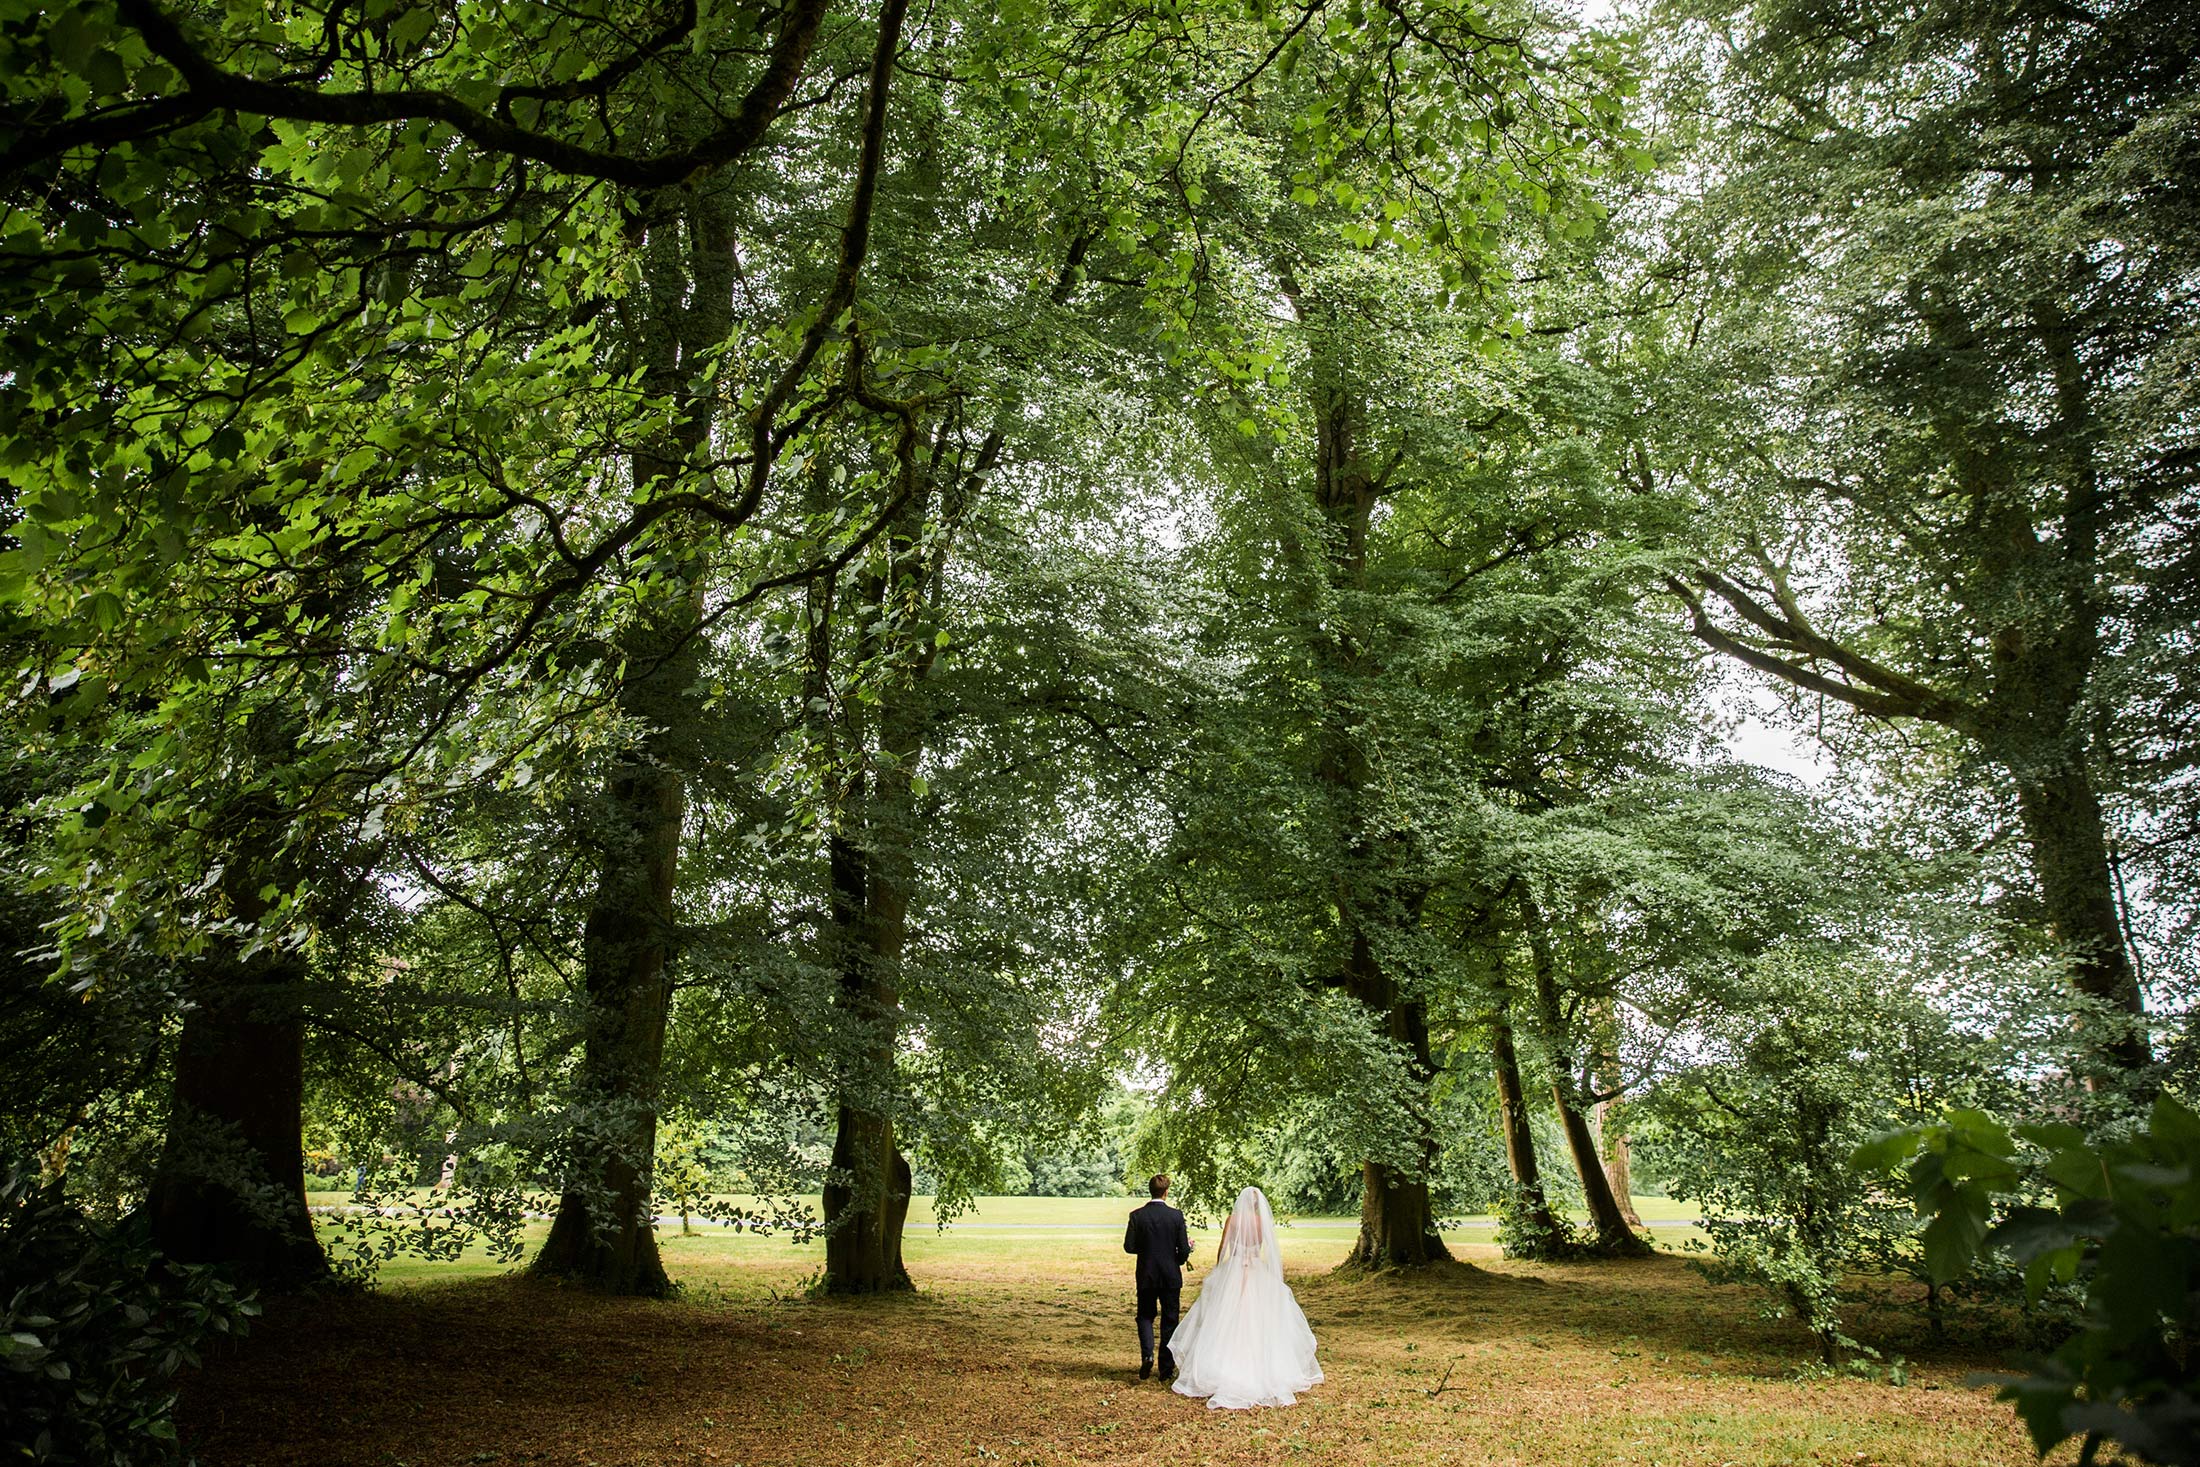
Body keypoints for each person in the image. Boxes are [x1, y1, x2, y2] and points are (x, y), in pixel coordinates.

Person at [1168, 1185, 1323, 1409]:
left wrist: (1219, 1272)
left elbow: (1223, 1251)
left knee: (1227, 1319)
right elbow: (1269, 1251)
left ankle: (1222, 1368)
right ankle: (1263, 1369)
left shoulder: (1232, 1219)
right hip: (1256, 1273)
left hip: (1234, 1273)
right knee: (1258, 1320)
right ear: (1257, 1204)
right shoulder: (1262, 1223)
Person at [1122, 1173, 1193, 1380]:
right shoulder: (1176, 1216)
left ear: (1150, 1190)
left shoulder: (1137, 1216)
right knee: (1170, 1319)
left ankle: (1147, 1355)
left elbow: (1129, 1246)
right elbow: (1183, 1251)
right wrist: (1178, 1260)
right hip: (1170, 1275)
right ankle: (1166, 1369)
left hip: (1146, 1274)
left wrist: (1148, 1250)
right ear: (1166, 1191)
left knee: (1145, 1315)